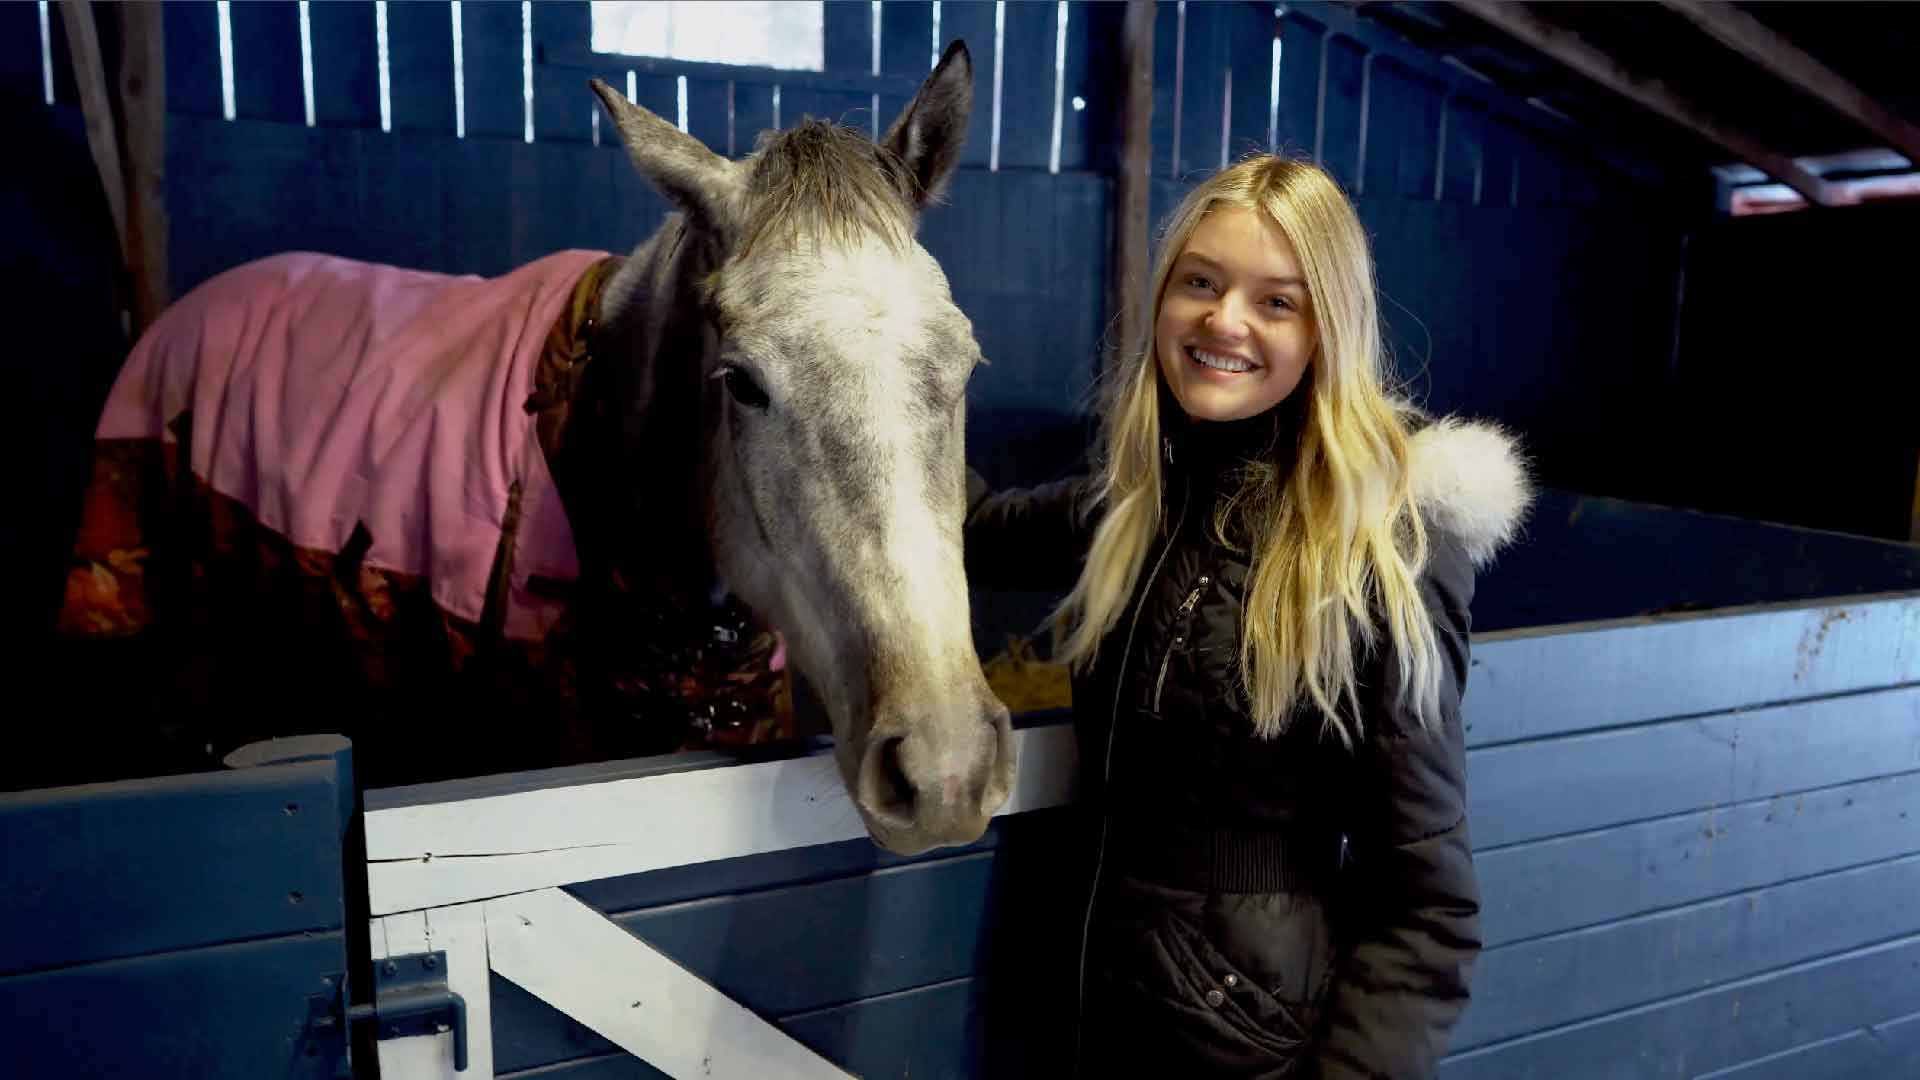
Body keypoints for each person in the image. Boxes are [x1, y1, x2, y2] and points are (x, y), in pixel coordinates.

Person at [964, 156, 1532, 1078]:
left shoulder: (1380, 549)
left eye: (1277, 301)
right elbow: (965, 531)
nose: (1223, 320)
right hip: (1091, 1014)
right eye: (1200, 282)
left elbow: (1426, 908)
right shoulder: (1139, 502)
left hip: (1245, 1046)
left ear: (1328, 330)